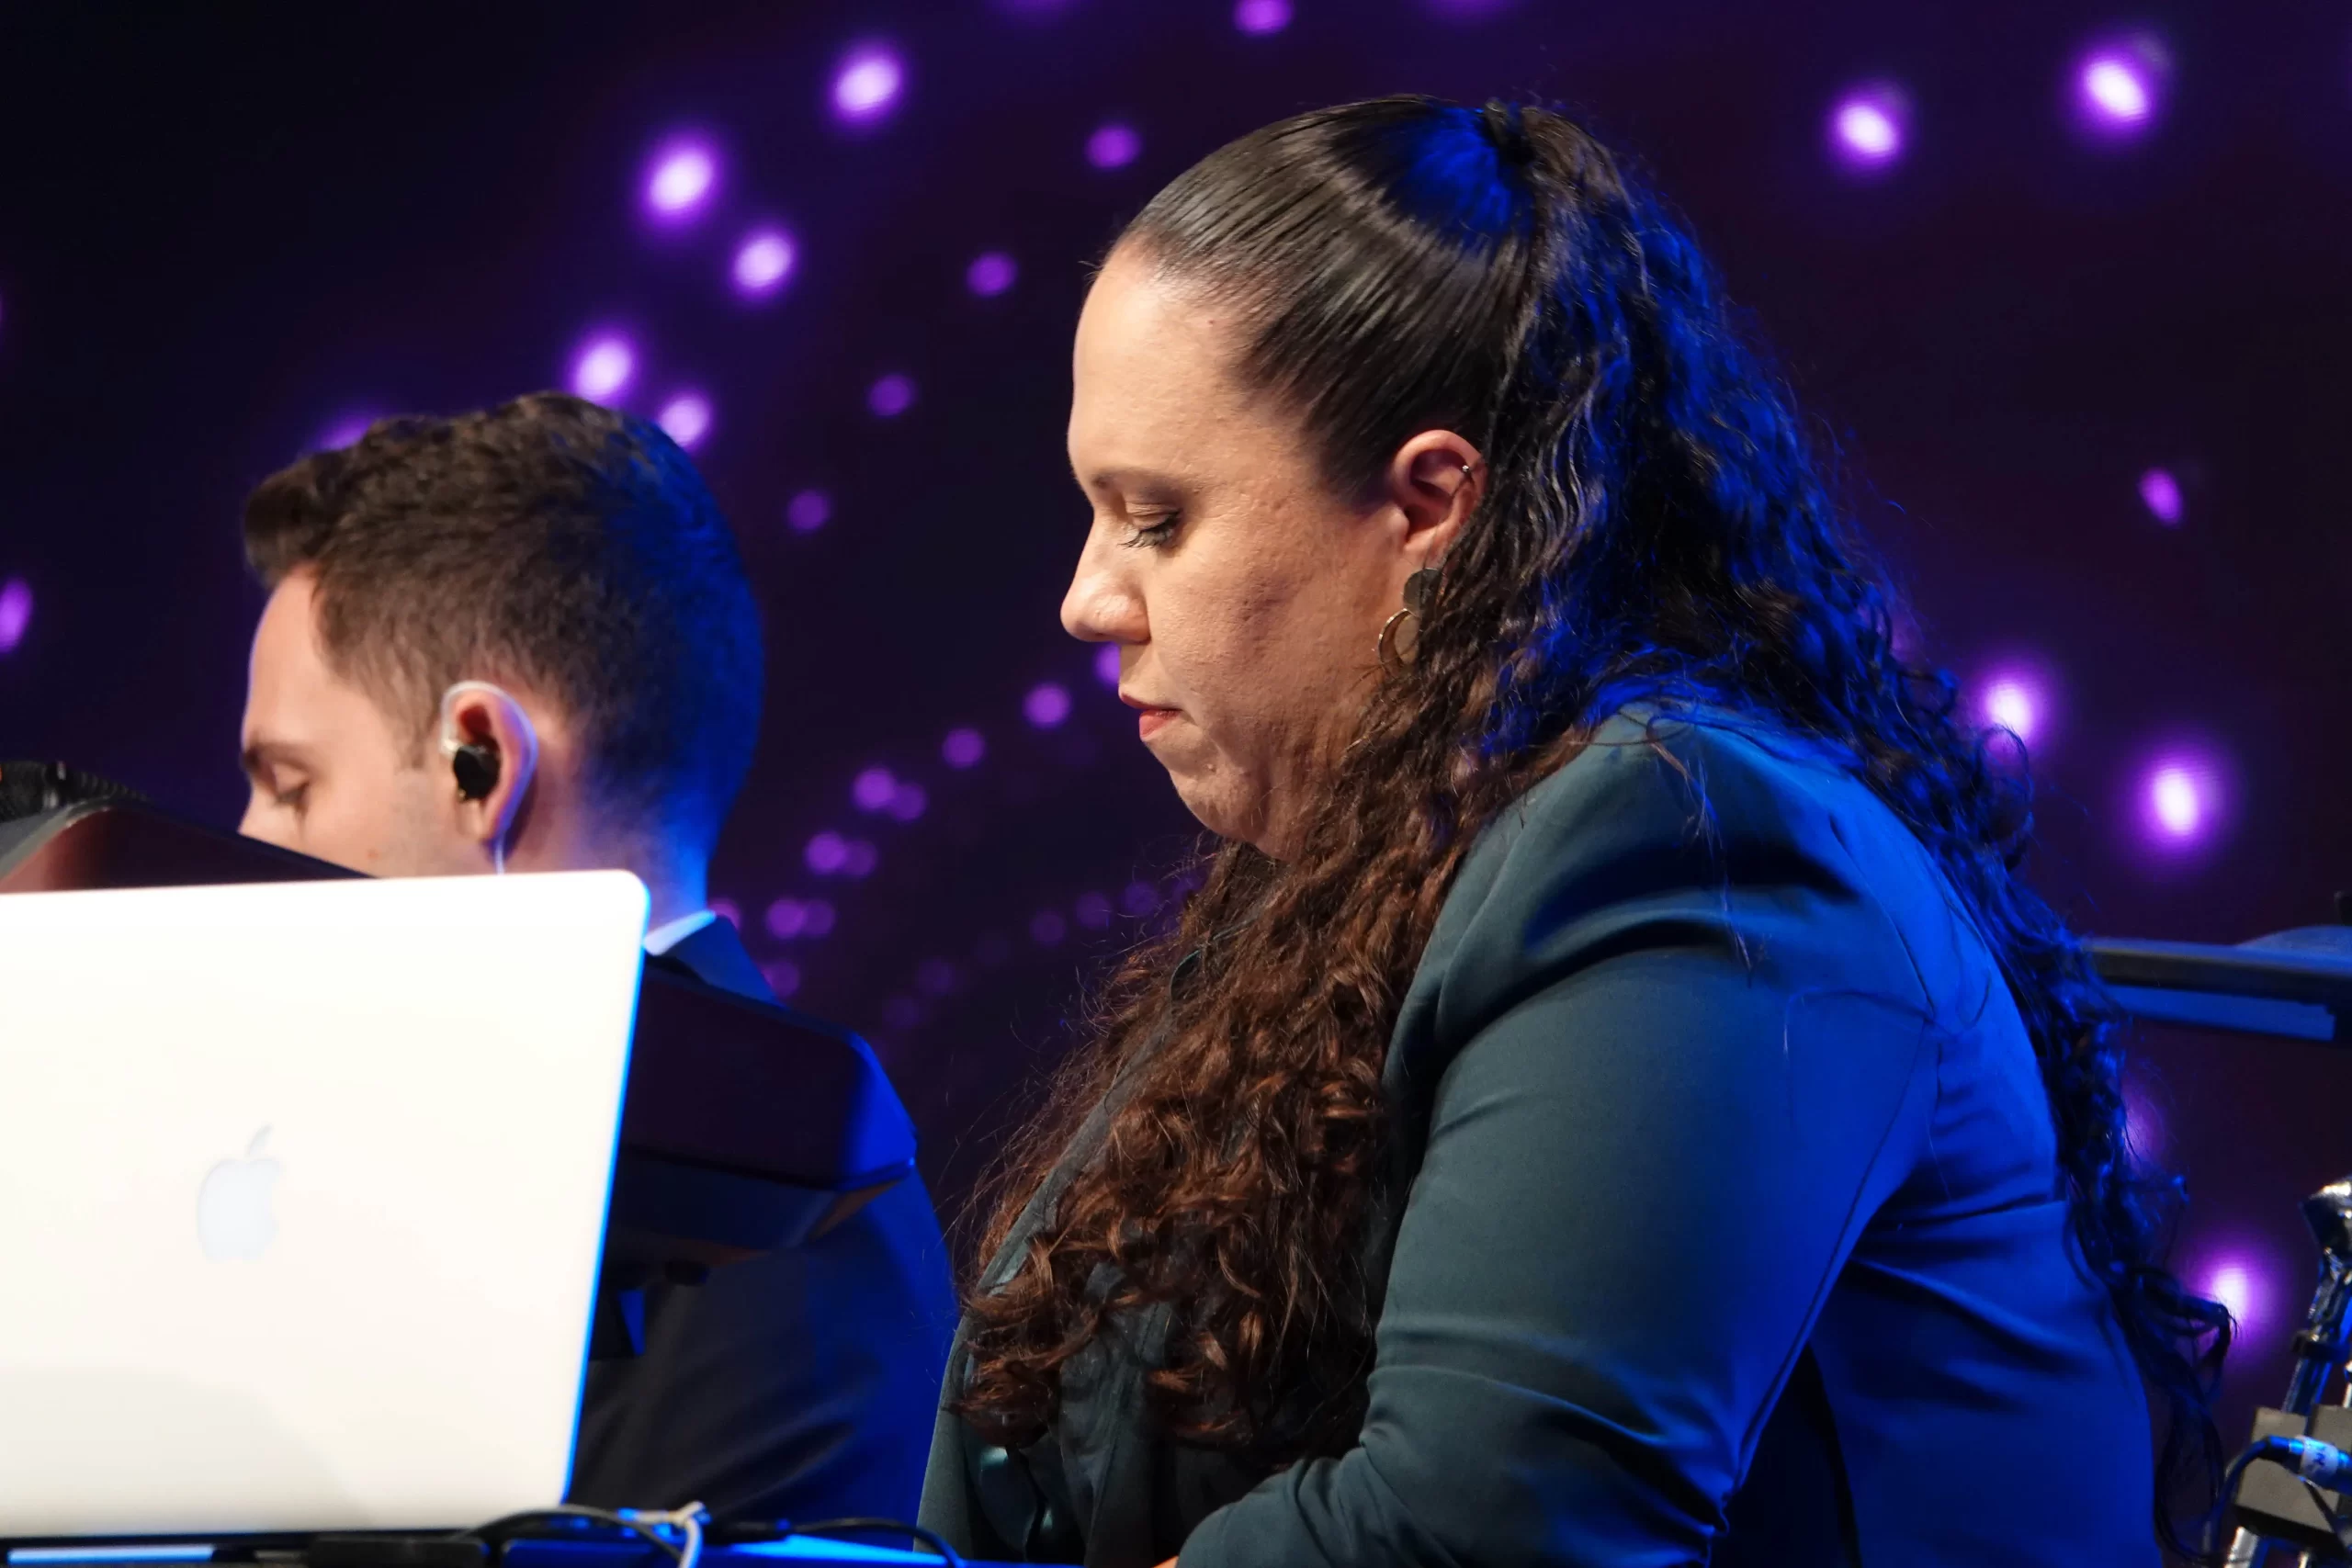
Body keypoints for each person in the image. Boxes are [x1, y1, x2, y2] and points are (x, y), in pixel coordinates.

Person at [918, 97, 2230, 1567]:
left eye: (1156, 518)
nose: (1087, 598)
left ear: (1429, 503)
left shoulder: (1687, 844)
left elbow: (1489, 1525)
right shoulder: (1355, 880)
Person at [234, 391, 957, 1524]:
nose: (247, 841)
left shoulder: (770, 1227)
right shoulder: (750, 1175)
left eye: (289, 785)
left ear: (480, 761)